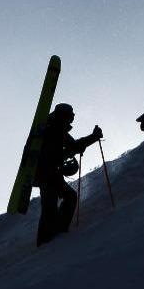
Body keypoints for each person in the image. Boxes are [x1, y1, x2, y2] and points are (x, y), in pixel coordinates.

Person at [34, 104, 102, 246]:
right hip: (48, 174)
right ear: (63, 116)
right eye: (70, 117)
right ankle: (47, 239)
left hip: (51, 174)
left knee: (63, 199)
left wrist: (93, 138)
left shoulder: (57, 130)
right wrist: (92, 138)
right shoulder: (54, 129)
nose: (71, 121)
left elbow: (69, 148)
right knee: (51, 205)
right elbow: (69, 148)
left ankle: (52, 235)